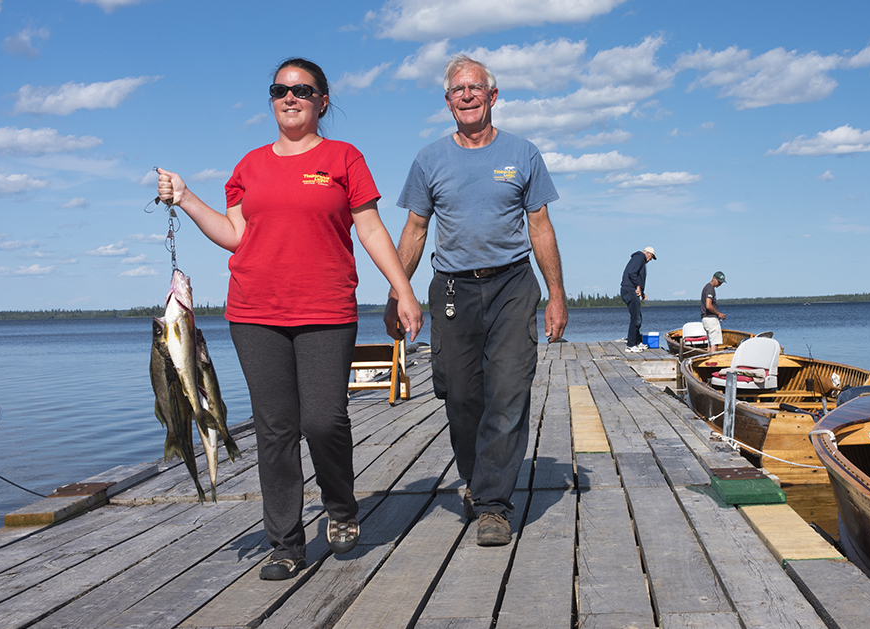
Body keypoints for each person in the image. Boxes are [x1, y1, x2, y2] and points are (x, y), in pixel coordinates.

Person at [156, 57, 422, 581]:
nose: (290, 97)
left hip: (326, 309)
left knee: (323, 420)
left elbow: (369, 229)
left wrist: (403, 288)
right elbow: (235, 234)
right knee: (275, 429)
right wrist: (186, 198)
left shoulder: (343, 158)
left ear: (323, 101)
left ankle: (341, 508)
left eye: (302, 90)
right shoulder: (249, 166)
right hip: (254, 313)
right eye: (280, 89)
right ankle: (285, 541)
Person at [383, 54, 567, 547]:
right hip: (451, 290)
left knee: (507, 394)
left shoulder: (523, 153)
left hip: (511, 284)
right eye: (457, 91)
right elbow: (416, 231)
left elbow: (540, 227)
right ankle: (476, 480)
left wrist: (556, 296)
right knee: (461, 397)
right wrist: (396, 291)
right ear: (448, 102)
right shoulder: (429, 159)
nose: (466, 96)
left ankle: (492, 506)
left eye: (475, 88)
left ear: (492, 96)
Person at [620, 247, 656, 353]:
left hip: (631, 290)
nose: (650, 260)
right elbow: (632, 273)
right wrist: (638, 287)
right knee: (636, 319)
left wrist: (642, 293)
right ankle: (630, 345)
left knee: (637, 317)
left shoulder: (638, 259)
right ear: (648, 254)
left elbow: (635, 275)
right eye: (651, 257)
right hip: (630, 291)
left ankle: (636, 341)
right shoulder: (640, 258)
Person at [701, 271, 728, 352]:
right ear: (714, 278)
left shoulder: (707, 287)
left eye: (721, 282)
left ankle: (708, 361)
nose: (720, 284)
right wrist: (719, 314)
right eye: (719, 282)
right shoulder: (710, 289)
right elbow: (708, 305)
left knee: (710, 343)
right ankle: (712, 362)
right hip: (711, 319)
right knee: (714, 344)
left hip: (705, 319)